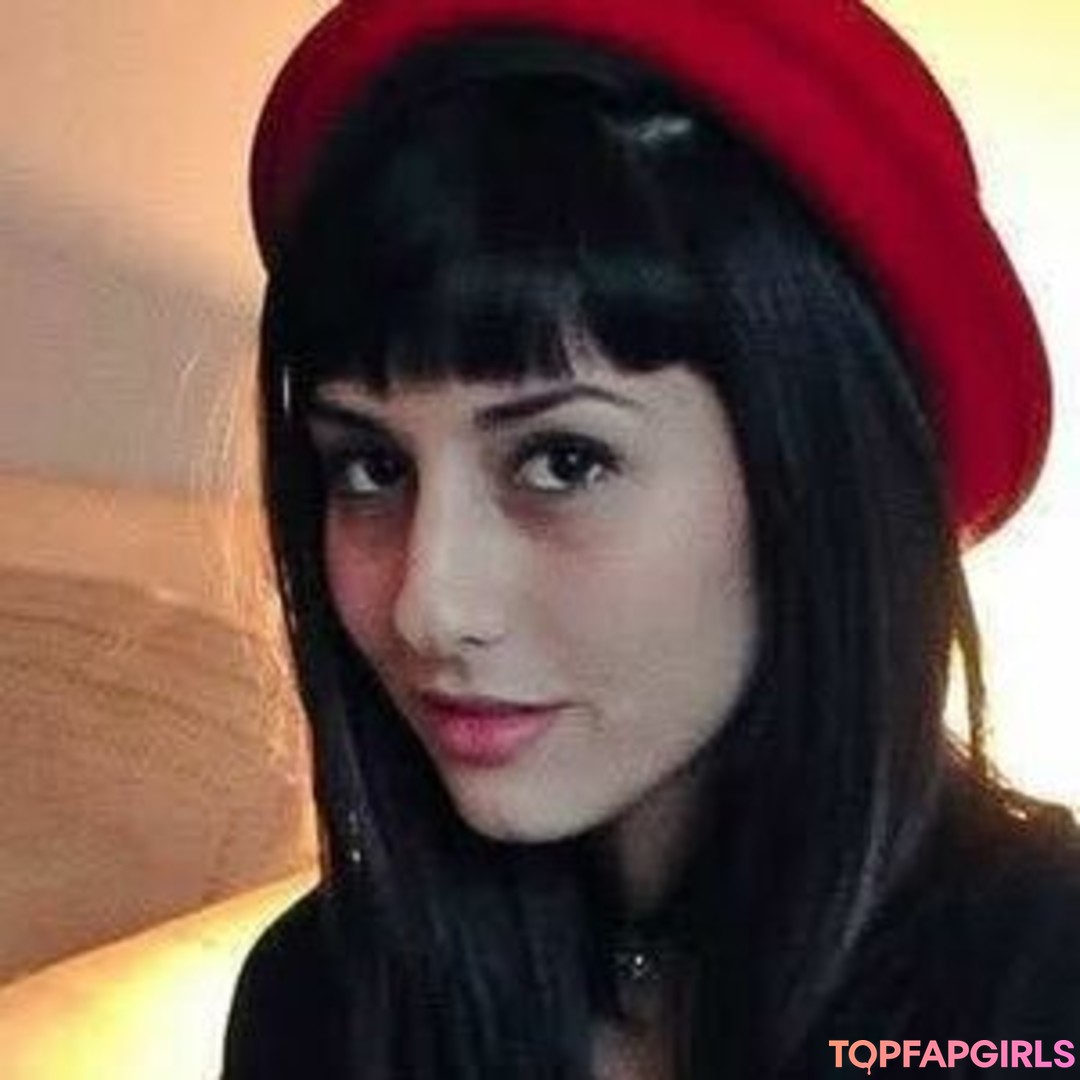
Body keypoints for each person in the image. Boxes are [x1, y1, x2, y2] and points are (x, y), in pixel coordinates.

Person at [222, 1, 1080, 1076]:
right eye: (372, 468)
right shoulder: (324, 999)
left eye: (563, 462)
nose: (428, 605)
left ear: (812, 476)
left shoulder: (1037, 1005)